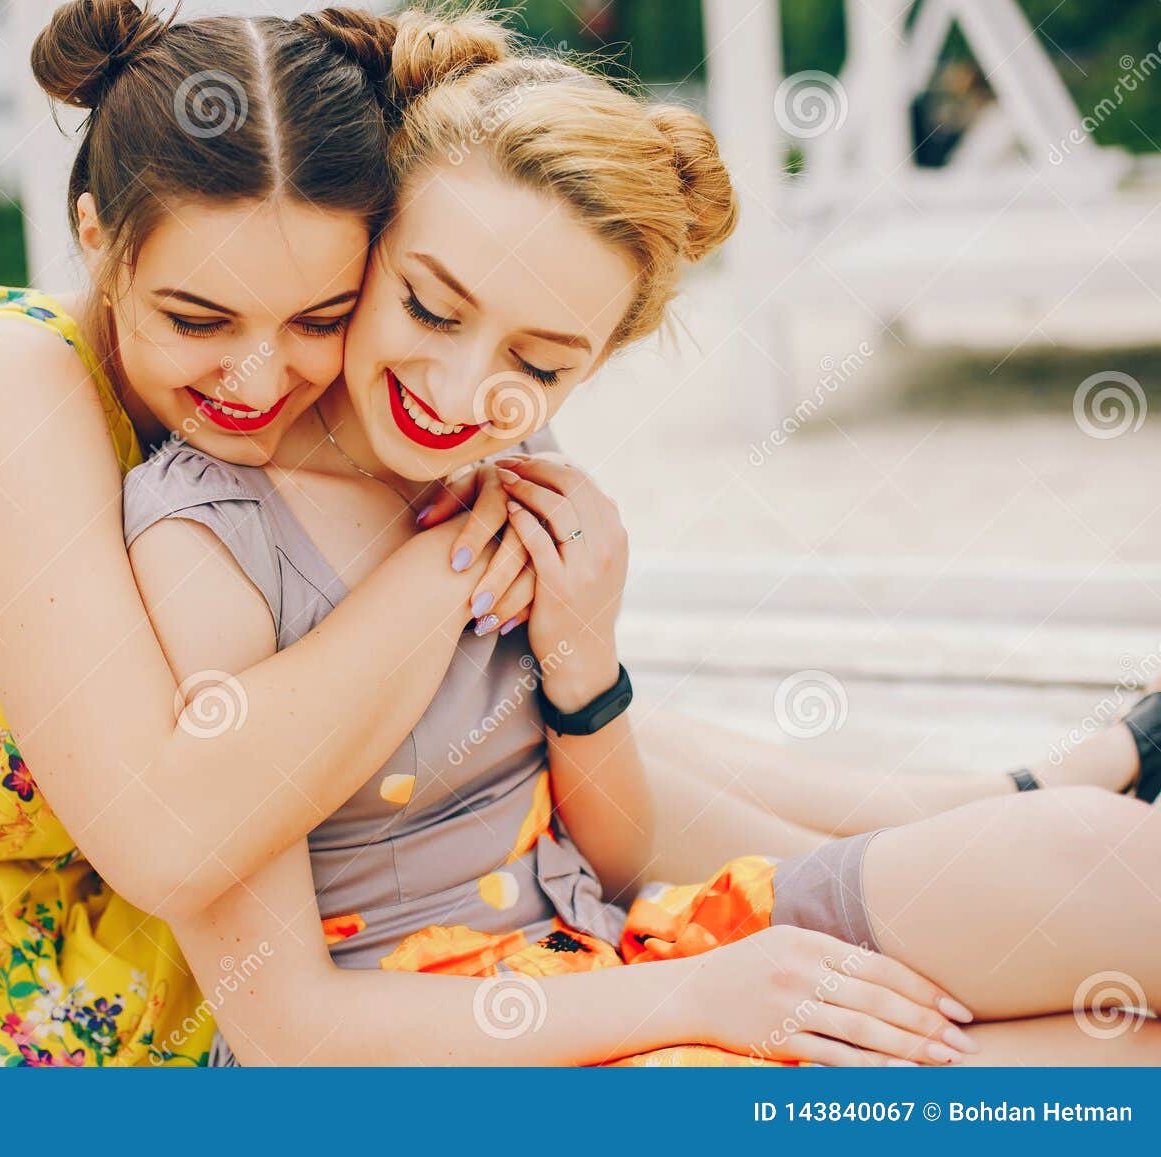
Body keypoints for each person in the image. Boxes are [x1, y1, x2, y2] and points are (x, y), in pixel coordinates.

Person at [122, 8, 1161, 1067]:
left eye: (538, 364)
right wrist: (693, 997)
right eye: (432, 309)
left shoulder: (501, 468)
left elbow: (613, 857)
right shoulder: (210, 535)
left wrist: (583, 661)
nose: (462, 386)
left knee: (1107, 864)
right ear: (368, 245)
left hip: (612, 940)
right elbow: (287, 1032)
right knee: (1111, 1055)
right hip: (443, 1051)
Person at [0, 0, 535, 1067]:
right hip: (3, 1002)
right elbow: (166, 840)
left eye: (320, 318)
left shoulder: (280, 409)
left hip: (240, 913)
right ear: (95, 234)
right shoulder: (15, 384)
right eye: (198, 318)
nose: (258, 377)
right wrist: (450, 565)